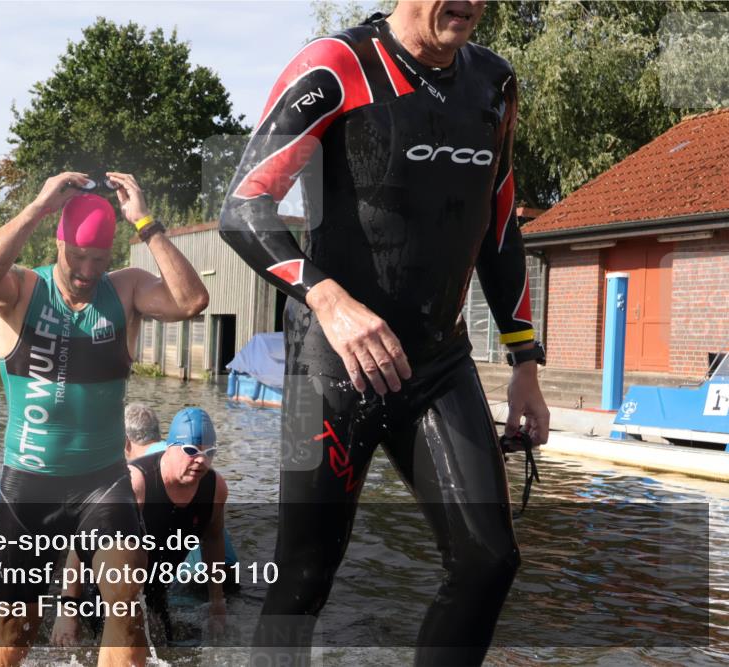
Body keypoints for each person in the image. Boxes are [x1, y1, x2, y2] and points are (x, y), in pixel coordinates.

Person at [219, 2, 551, 664]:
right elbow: (242, 206)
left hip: (435, 362)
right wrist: (329, 297)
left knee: (489, 558)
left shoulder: (495, 83)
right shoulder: (336, 66)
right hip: (326, 367)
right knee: (303, 578)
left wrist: (524, 364)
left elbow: (501, 223)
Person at [0, 169, 208, 667]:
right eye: (78, 257)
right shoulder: (23, 291)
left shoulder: (126, 289)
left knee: (125, 608)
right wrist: (37, 208)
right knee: (14, 636)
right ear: (59, 244)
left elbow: (190, 301)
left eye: (99, 259)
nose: (88, 271)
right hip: (31, 485)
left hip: (102, 481)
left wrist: (146, 223)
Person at [52, 407, 229, 646]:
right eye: (191, 451)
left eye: (210, 452)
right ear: (170, 446)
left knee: (166, 651)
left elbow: (213, 539)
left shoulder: (215, 487)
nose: (201, 460)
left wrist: (216, 603)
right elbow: (82, 541)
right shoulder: (136, 482)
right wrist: (68, 608)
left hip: (154, 588)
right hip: (101, 587)